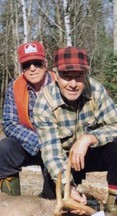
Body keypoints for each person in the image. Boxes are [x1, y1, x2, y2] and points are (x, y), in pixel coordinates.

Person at [33, 47, 117, 216]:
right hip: (62, 160)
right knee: (56, 205)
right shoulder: (44, 103)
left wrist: (89, 138)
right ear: (56, 76)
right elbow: (51, 154)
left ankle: (114, 209)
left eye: (78, 77)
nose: (73, 84)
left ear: (86, 75)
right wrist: (68, 186)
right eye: (66, 77)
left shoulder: (96, 90)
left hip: (90, 153)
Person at [0, 41, 56, 198]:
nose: (32, 68)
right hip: (31, 143)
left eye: (37, 63)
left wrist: (51, 143)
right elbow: (10, 124)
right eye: (26, 65)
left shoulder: (60, 82)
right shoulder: (15, 87)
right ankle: (10, 203)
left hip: (58, 144)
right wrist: (39, 141)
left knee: (51, 198)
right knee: (4, 149)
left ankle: (53, 198)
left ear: (45, 63)